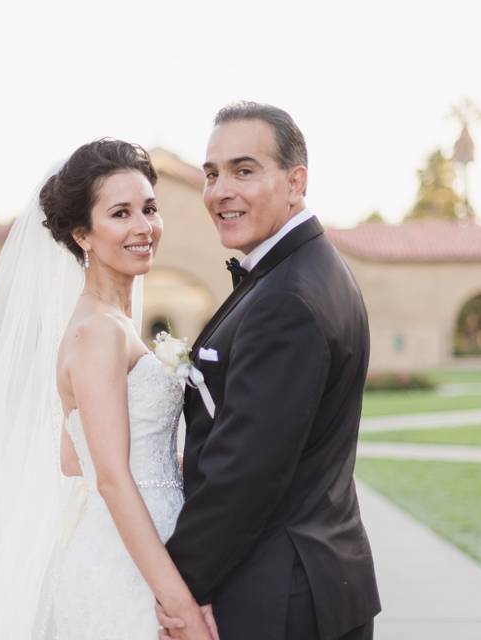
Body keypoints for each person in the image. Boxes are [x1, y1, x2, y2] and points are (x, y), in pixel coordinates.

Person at [0, 140, 216, 639]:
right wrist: (180, 605)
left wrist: (173, 469)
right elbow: (110, 479)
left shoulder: (112, 324)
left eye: (149, 208)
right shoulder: (98, 332)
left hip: (139, 541)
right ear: (83, 234)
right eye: (120, 214)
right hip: (128, 571)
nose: (144, 227)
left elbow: (70, 457)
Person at [158, 102, 381, 640]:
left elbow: (246, 473)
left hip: (279, 599)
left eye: (244, 170)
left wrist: (176, 591)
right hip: (312, 579)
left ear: (295, 182)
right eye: (211, 174)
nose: (219, 191)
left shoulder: (289, 299)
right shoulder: (297, 273)